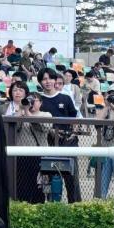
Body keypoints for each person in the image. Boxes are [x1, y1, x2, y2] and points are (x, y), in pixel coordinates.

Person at [37, 67, 81, 203]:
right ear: (40, 82)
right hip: (47, 143)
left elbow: (74, 118)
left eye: (50, 78)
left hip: (67, 143)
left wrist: (72, 135)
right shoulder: (39, 100)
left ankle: (75, 206)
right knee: (49, 178)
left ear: (55, 80)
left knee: (71, 178)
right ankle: (50, 206)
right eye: (44, 79)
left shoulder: (65, 98)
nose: (47, 82)